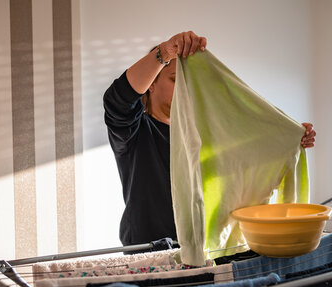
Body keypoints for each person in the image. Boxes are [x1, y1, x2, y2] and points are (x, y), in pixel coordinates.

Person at [103, 31, 316, 248]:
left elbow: (244, 165)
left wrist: (290, 140)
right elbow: (117, 102)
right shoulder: (136, 132)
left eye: (189, 84)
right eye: (175, 80)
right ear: (152, 84)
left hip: (206, 253)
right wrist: (164, 52)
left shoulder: (200, 137)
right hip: (151, 257)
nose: (185, 90)